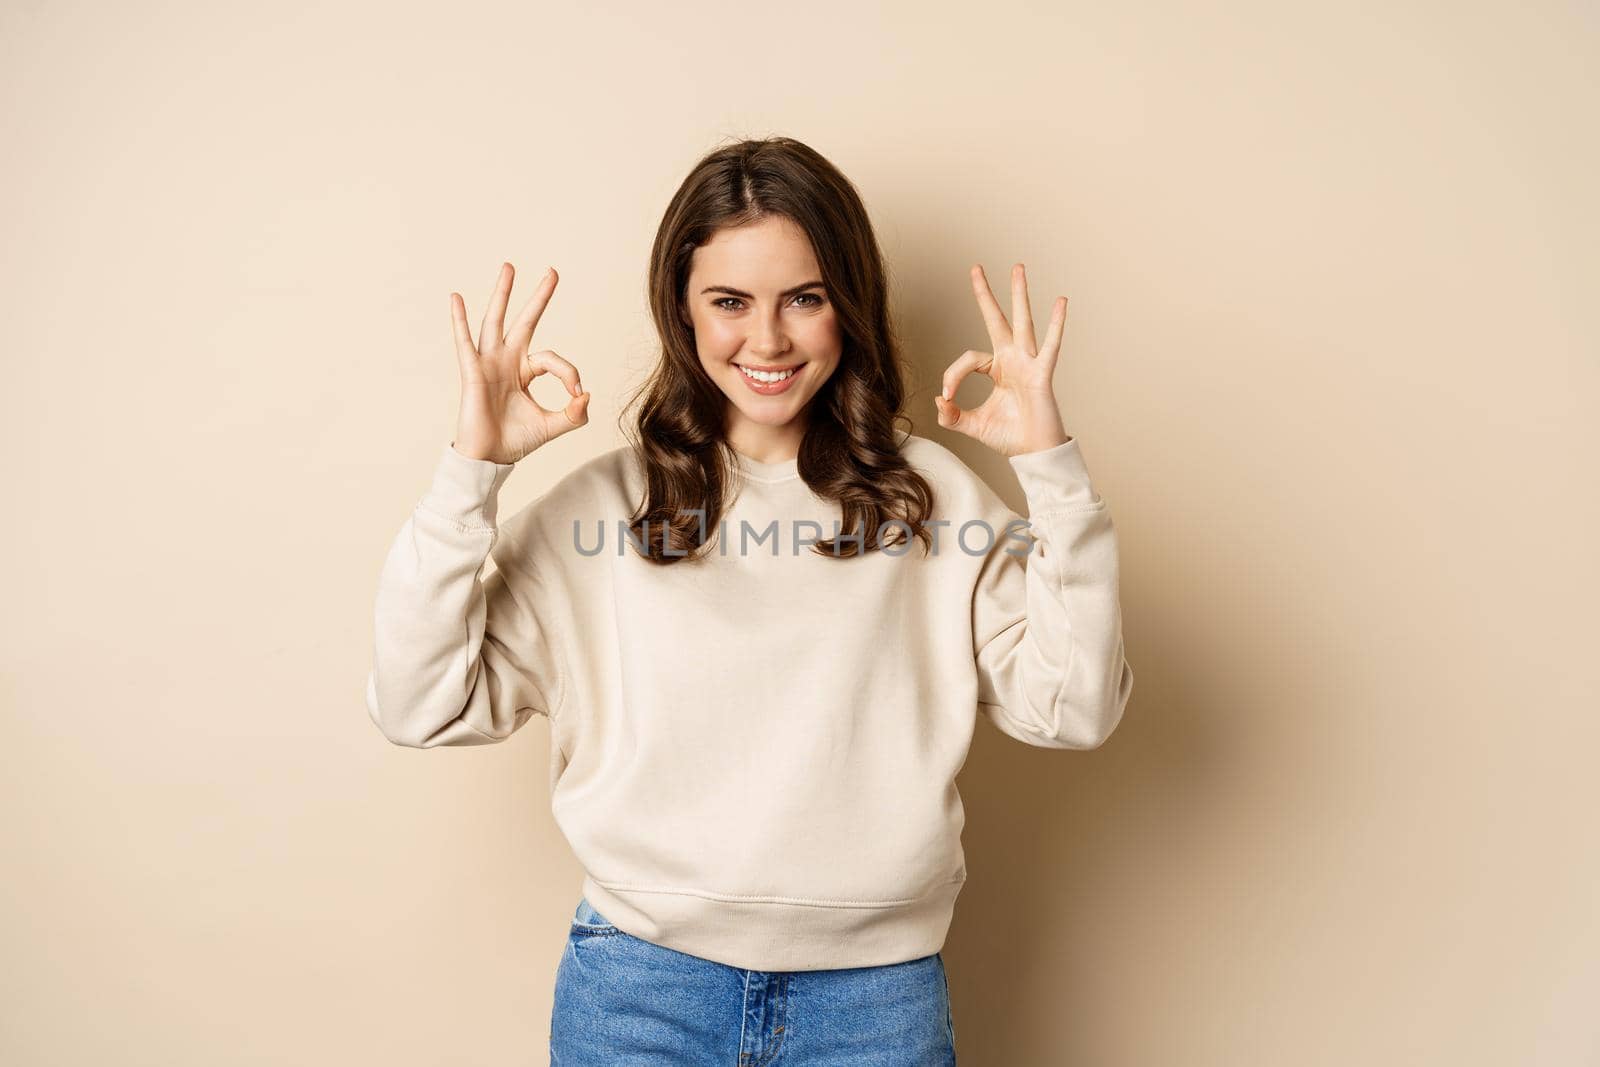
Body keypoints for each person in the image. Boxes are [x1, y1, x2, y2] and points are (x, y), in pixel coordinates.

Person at [365, 135, 1134, 1064]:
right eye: (728, 301)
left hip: (875, 1004)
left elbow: (1077, 707)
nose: (766, 340)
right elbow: (416, 703)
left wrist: (1050, 473)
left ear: (848, 307)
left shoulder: (932, 502)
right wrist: (470, 471)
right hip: (639, 993)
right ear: (682, 311)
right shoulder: (602, 512)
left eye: (803, 299)